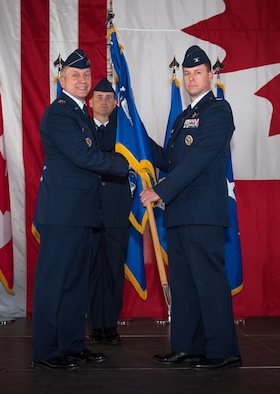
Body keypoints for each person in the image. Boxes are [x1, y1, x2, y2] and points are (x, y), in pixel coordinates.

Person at [139, 45, 241, 370]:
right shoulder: (184, 117)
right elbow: (170, 160)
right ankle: (187, 346)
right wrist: (138, 141)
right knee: (184, 284)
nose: (191, 78)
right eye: (186, 73)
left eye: (197, 72)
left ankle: (223, 351)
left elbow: (198, 160)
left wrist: (160, 190)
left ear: (211, 75)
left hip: (202, 211)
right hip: (180, 212)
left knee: (209, 282)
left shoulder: (219, 111)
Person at [31, 49, 130, 370]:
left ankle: (73, 344)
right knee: (54, 283)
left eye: (86, 75)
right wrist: (124, 164)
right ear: (61, 80)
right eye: (76, 75)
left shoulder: (80, 115)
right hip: (62, 215)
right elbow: (85, 157)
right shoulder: (60, 113)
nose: (83, 80)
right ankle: (46, 351)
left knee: (75, 285)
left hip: (83, 214)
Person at [86, 78, 132, 345]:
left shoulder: (125, 130)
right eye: (99, 97)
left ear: (115, 102)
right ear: (90, 102)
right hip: (88, 211)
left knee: (114, 270)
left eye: (108, 98)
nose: (104, 101)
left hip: (116, 210)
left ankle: (110, 326)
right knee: (92, 271)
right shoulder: (80, 128)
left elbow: (143, 152)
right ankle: (95, 325)